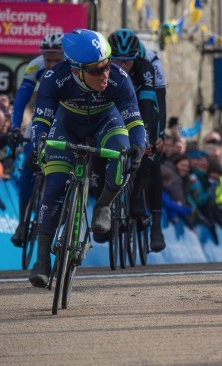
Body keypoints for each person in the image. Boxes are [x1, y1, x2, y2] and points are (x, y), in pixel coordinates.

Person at [27, 29, 147, 288]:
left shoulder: (119, 78)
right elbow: (41, 120)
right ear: (76, 70)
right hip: (67, 125)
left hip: (106, 121)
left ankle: (104, 204)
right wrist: (37, 145)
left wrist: (138, 146)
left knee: (122, 155)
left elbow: (135, 121)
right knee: (55, 185)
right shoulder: (54, 78)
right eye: (96, 70)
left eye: (107, 64)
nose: (105, 73)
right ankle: (42, 259)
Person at [108, 29, 166, 253]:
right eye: (117, 62)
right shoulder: (104, 68)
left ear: (135, 58)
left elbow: (153, 105)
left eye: (127, 62)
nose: (122, 67)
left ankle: (154, 222)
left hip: (142, 107)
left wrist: (154, 136)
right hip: (115, 108)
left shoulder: (147, 66)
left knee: (151, 154)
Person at [10, 32, 64, 247]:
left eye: (57, 60)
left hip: (67, 118)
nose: (51, 64)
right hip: (43, 116)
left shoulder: (76, 68)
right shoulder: (35, 65)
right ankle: (22, 222)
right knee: (29, 163)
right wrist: (15, 126)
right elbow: (21, 99)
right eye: (48, 59)